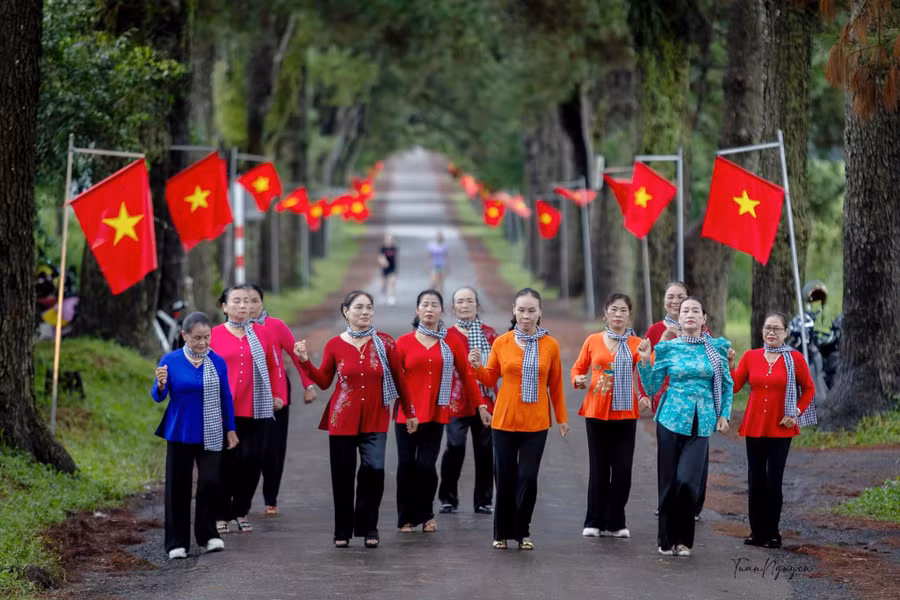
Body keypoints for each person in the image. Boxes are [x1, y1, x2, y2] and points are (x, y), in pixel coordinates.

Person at [293, 291, 419, 548]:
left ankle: (368, 526)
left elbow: (399, 379)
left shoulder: (385, 343)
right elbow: (325, 381)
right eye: (359, 307)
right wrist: (305, 363)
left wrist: (410, 411)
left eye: (369, 308)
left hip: (376, 417)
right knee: (342, 475)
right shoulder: (334, 345)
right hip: (342, 418)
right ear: (345, 311)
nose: (365, 312)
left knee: (374, 471)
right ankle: (342, 530)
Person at [469, 287, 569, 551]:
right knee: (504, 476)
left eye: (531, 310)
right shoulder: (502, 342)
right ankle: (501, 532)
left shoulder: (550, 345)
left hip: (536, 422)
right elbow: (490, 378)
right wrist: (476, 366)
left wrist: (561, 418)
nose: (526, 316)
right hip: (504, 420)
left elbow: (556, 384)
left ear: (540, 313)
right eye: (521, 310)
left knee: (528, 476)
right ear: (514, 310)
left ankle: (522, 531)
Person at [638, 296, 733, 557]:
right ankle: (666, 539)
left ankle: (684, 540)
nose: (689, 314)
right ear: (678, 319)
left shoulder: (716, 349)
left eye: (695, 311)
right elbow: (653, 386)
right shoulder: (668, 348)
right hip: (670, 419)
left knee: (688, 482)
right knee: (668, 482)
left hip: (702, 421)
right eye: (684, 311)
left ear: (704, 319)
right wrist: (646, 360)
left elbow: (726, 385)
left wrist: (723, 414)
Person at [394, 289, 482, 533]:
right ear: (417, 310)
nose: (430, 309)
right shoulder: (403, 343)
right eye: (425, 305)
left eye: (435, 305)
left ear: (442, 311)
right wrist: (406, 411)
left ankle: (426, 512)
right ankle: (406, 517)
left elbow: (466, 374)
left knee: (426, 465)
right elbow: (395, 381)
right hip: (407, 416)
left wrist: (481, 405)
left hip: (435, 414)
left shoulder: (450, 341)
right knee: (406, 466)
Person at [152, 311, 238, 559]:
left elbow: (226, 397)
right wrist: (159, 384)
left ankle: (208, 535)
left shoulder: (217, 361)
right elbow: (159, 396)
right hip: (180, 430)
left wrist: (230, 429)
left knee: (210, 482)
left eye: (206, 337)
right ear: (184, 336)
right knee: (178, 487)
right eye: (197, 338)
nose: (202, 343)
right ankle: (176, 542)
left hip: (211, 430)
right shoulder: (170, 360)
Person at [732, 312, 815, 549]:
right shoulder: (751, 357)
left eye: (777, 329)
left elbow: (808, 389)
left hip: (781, 428)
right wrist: (729, 366)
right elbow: (735, 386)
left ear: (786, 333)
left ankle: (773, 532)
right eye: (767, 328)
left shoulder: (794, 359)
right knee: (755, 479)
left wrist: (796, 412)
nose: (771, 333)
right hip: (754, 426)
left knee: (773, 481)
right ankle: (757, 532)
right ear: (761, 331)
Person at [571, 293, 649, 539]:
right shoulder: (593, 341)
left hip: (625, 413)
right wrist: (578, 380)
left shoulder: (638, 344)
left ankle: (616, 520)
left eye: (623, 311)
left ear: (630, 315)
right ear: (605, 313)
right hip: (596, 411)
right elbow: (577, 368)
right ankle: (594, 519)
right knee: (599, 467)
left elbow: (649, 377)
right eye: (613, 310)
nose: (618, 315)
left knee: (623, 468)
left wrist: (646, 361)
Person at [210, 286, 281, 535]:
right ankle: (222, 513)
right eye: (236, 301)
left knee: (252, 461)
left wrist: (277, 394)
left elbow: (274, 366)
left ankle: (241, 510)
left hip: (256, 408)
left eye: (247, 302)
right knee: (226, 462)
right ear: (224, 307)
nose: (243, 306)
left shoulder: (261, 333)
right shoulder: (214, 335)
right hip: (222, 410)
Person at [637, 281, 710, 521]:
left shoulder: (701, 329)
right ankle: (666, 502)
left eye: (681, 297)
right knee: (668, 456)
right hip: (667, 398)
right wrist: (644, 394)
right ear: (664, 300)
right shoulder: (656, 329)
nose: (675, 301)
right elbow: (645, 360)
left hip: (698, 403)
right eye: (670, 296)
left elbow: (712, 365)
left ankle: (693, 504)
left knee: (696, 456)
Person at [246, 284, 317, 516]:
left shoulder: (276, 326)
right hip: (244, 395)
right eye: (243, 301)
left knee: (273, 449)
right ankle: (240, 500)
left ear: (262, 303)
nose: (249, 306)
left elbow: (297, 355)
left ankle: (270, 498)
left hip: (277, 392)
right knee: (247, 450)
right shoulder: (232, 331)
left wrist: (308, 385)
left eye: (254, 300)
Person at [438, 286, 497, 515]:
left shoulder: (490, 334)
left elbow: (497, 368)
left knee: (485, 451)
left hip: (486, 401)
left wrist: (481, 364)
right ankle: (447, 497)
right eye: (460, 302)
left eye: (469, 301)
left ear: (477, 305)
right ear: (453, 308)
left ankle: (483, 500)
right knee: (455, 446)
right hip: (455, 401)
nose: (464, 305)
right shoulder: (447, 335)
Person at [427, 231, 449, 295]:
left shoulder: (444, 245)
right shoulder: (431, 245)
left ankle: (440, 295)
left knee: (441, 281)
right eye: (437, 236)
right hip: (434, 265)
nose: (439, 238)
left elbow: (446, 256)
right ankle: (431, 293)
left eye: (440, 237)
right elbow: (429, 256)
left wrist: (448, 266)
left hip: (442, 264)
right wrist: (427, 265)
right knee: (433, 281)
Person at [378, 233, 398, 306]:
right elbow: (380, 257)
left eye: (390, 239)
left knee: (392, 282)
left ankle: (391, 297)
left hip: (392, 268)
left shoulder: (394, 248)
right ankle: (383, 294)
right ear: (385, 240)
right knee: (384, 284)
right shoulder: (382, 248)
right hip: (384, 268)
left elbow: (394, 257)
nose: (389, 241)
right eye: (387, 239)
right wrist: (383, 261)